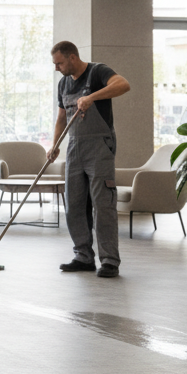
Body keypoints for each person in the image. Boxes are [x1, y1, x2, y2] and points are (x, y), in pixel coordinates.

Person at [48, 41, 131, 278]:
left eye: (59, 63)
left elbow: (123, 85)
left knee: (103, 205)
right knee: (73, 204)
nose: (57, 68)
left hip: (99, 147)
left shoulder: (97, 72)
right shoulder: (63, 83)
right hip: (74, 147)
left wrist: (92, 97)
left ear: (72, 57)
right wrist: (55, 145)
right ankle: (83, 256)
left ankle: (109, 260)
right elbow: (61, 118)